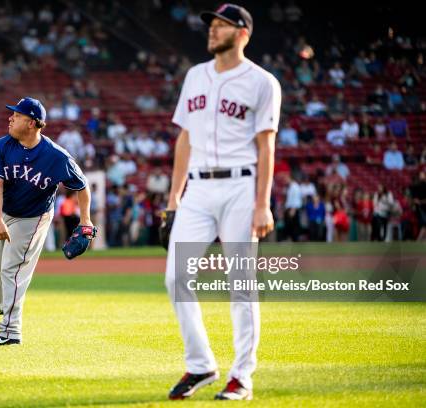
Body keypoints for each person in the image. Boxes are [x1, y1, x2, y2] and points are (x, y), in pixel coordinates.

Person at [162, 4, 281, 401]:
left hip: (240, 188)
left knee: (241, 283)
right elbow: (184, 139)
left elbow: (267, 147)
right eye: (211, 25)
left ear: (242, 32)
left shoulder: (263, 82)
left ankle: (242, 377)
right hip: (197, 188)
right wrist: (174, 197)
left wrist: (263, 203)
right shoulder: (195, 75)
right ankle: (200, 364)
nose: (212, 31)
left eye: (221, 25)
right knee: (176, 278)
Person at [0, 97, 94, 346]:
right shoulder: (2, 146)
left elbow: (82, 186)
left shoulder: (56, 156)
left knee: (13, 269)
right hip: (4, 211)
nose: (10, 118)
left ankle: (10, 332)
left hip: (34, 217)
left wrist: (86, 220)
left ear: (31, 123)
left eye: (16, 115)